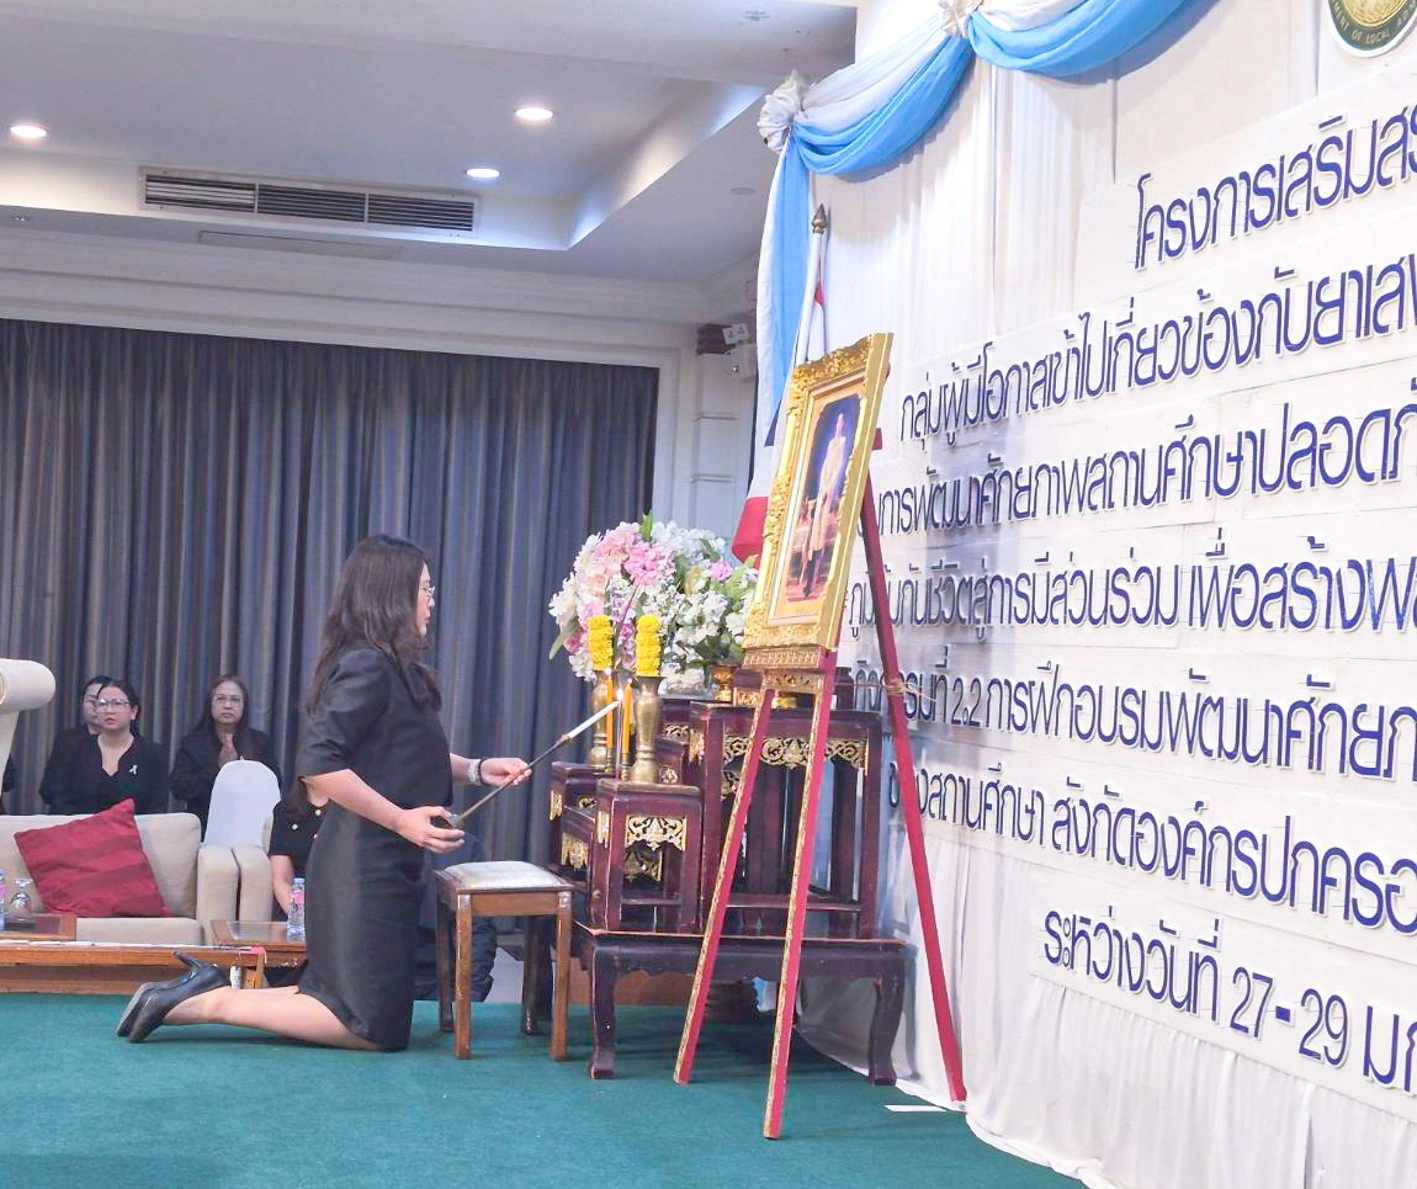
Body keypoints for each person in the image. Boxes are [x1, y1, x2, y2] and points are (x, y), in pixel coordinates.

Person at [118, 534, 529, 1049]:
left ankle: (198, 994)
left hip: (387, 863)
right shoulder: (367, 664)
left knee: (359, 1008)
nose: (431, 600)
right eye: (425, 588)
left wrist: (479, 768)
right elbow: (319, 764)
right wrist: (401, 819)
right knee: (372, 1029)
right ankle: (208, 1000)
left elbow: (404, 757)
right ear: (393, 593)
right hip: (362, 866)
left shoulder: (398, 669)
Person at [39, 679, 169, 816]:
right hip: (81, 827)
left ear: (133, 712)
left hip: (134, 828)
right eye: (102, 704)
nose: (109, 710)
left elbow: (157, 807)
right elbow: (60, 801)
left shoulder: (152, 753)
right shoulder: (74, 750)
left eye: (117, 704)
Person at [170, 675, 281, 830]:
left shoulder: (260, 743)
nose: (227, 706)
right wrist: (219, 770)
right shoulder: (192, 744)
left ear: (244, 706)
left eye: (235, 700)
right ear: (210, 704)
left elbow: (274, 785)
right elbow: (179, 788)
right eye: (221, 699)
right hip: (205, 826)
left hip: (251, 826)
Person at [37, 674, 113, 808]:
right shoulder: (66, 741)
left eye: (104, 702)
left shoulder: (128, 742)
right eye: (92, 701)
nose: (98, 707)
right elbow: (48, 790)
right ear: (82, 703)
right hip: (69, 815)